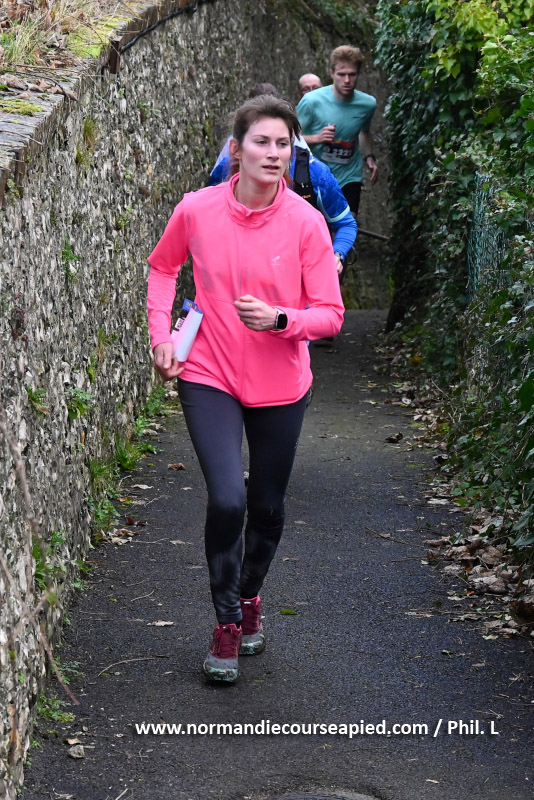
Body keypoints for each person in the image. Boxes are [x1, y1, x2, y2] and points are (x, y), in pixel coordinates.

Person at [146, 96, 344, 684]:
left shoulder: (306, 223)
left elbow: (331, 315)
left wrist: (281, 319)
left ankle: (251, 593)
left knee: (267, 507)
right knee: (229, 499)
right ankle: (228, 621)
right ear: (237, 150)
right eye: (262, 142)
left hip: (281, 382)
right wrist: (162, 336)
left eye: (284, 144)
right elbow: (163, 268)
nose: (274, 153)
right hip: (209, 373)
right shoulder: (197, 209)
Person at [208, 135, 357, 276]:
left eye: (281, 143)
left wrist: (336, 254)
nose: (272, 153)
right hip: (240, 274)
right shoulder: (227, 168)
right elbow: (207, 220)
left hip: (299, 275)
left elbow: (346, 224)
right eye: (261, 142)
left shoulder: (315, 173)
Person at [297, 45, 379, 216]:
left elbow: (364, 131)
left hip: (350, 175)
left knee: (347, 224)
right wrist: (317, 138)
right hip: (316, 174)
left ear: (358, 74)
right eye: (341, 74)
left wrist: (369, 157)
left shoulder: (367, 104)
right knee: (320, 226)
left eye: (352, 74)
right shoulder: (311, 101)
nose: (347, 80)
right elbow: (290, 137)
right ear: (332, 73)